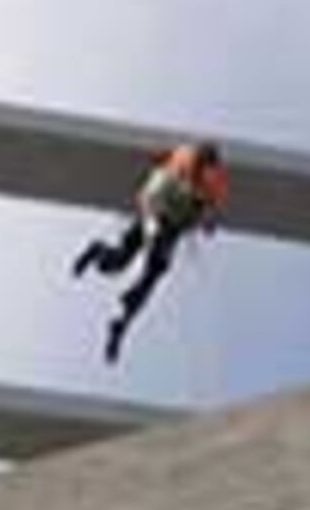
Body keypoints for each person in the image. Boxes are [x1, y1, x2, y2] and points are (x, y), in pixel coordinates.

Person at [71, 137, 228, 363]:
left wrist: (207, 221)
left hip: (170, 225)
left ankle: (121, 323)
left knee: (143, 273)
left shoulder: (210, 184)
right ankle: (98, 252)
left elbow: (208, 219)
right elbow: (154, 191)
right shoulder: (178, 166)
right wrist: (154, 222)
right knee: (130, 262)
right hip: (155, 212)